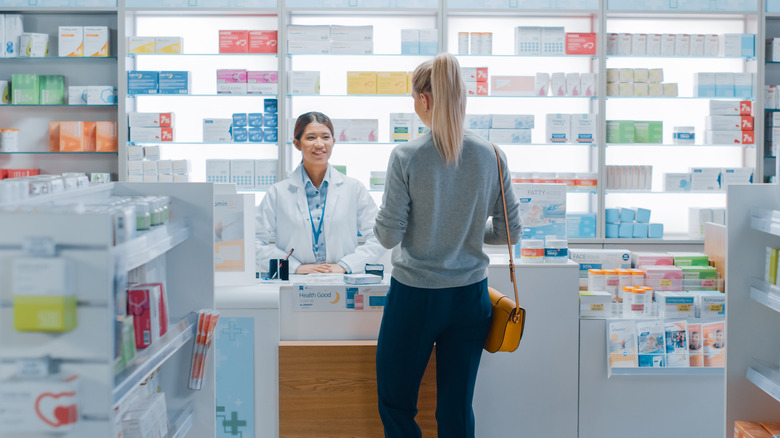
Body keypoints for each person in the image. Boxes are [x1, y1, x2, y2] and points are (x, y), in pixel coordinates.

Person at [373, 53, 522, 438]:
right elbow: (510, 232)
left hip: (415, 296)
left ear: (424, 99)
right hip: (471, 299)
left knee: (396, 402)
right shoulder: (492, 154)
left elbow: (389, 236)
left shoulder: (407, 155)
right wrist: (469, 235)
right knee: (456, 408)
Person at [255, 111, 385, 275]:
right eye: (310, 138)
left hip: (341, 280)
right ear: (297, 143)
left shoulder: (354, 189)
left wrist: (346, 266)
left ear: (333, 141)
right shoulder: (278, 193)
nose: (319, 144)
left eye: (325, 137)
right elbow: (254, 242)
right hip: (296, 281)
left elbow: (379, 237)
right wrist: (294, 267)